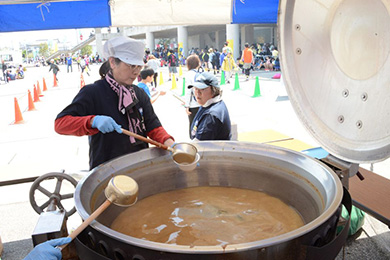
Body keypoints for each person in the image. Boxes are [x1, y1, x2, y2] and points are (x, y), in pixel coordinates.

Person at [54, 36, 175, 170]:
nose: (136, 72)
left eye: (139, 66)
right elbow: (60, 124)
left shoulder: (139, 94)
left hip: (140, 166)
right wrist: (93, 121)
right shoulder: (92, 92)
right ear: (112, 62)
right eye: (131, 65)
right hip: (106, 170)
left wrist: (171, 144)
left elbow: (153, 126)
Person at [188, 72, 231, 140]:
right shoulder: (209, 104)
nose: (197, 93)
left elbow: (199, 145)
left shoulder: (211, 115)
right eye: (196, 88)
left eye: (202, 89)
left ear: (214, 90)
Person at [184, 55, 202, 137]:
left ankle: (193, 143)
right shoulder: (201, 73)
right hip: (202, 103)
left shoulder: (188, 74)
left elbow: (188, 91)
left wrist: (186, 105)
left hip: (193, 105)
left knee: (193, 126)